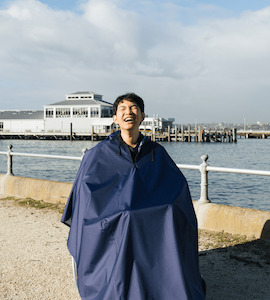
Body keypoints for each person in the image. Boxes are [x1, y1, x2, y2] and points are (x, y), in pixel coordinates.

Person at [61, 93, 205, 300]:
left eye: (134, 108)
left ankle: (165, 283)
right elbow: (86, 194)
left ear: (142, 115)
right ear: (115, 119)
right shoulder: (98, 154)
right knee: (127, 217)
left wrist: (170, 207)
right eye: (123, 109)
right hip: (109, 217)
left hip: (151, 214)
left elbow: (177, 187)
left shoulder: (157, 152)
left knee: (170, 214)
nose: (129, 112)